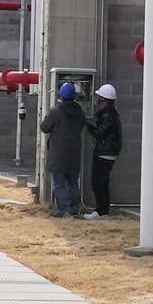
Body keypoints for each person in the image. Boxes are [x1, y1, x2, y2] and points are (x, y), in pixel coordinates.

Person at [39, 81, 87, 217]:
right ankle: (73, 210)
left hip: (58, 153)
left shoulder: (56, 111)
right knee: (73, 183)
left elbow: (44, 127)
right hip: (74, 153)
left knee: (59, 184)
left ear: (60, 96)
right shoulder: (80, 111)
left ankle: (62, 210)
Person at [82, 84, 120, 220]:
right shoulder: (111, 113)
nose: (97, 98)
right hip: (109, 152)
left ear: (103, 98)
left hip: (104, 152)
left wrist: (88, 128)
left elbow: (101, 134)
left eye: (99, 96)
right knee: (103, 182)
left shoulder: (108, 114)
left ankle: (100, 212)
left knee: (97, 182)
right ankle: (104, 212)